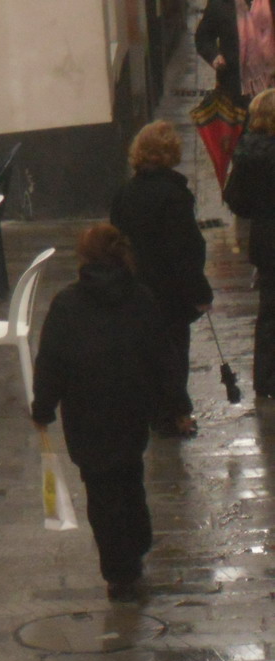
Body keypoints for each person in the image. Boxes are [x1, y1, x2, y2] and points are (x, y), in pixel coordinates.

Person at [31, 224, 189, 602]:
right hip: (132, 408)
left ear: (83, 258)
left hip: (85, 413)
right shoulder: (142, 299)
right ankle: (136, 542)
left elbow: (51, 362)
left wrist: (43, 407)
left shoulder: (66, 305)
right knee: (130, 475)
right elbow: (163, 357)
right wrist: (177, 405)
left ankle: (119, 570)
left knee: (101, 490)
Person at [110, 120, 214, 436]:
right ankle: (174, 415)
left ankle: (156, 411)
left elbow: (117, 242)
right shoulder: (174, 195)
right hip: (170, 292)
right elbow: (186, 249)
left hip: (136, 287)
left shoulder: (124, 194)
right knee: (173, 354)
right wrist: (200, 292)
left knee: (147, 355)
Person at [225, 88, 275, 396]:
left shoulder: (247, 152)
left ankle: (265, 379)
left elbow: (234, 199)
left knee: (268, 312)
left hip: (265, 237)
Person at [196, 0, 275, 107]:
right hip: (234, 88)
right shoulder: (220, 4)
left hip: (271, 84)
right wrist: (215, 56)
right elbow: (203, 37)